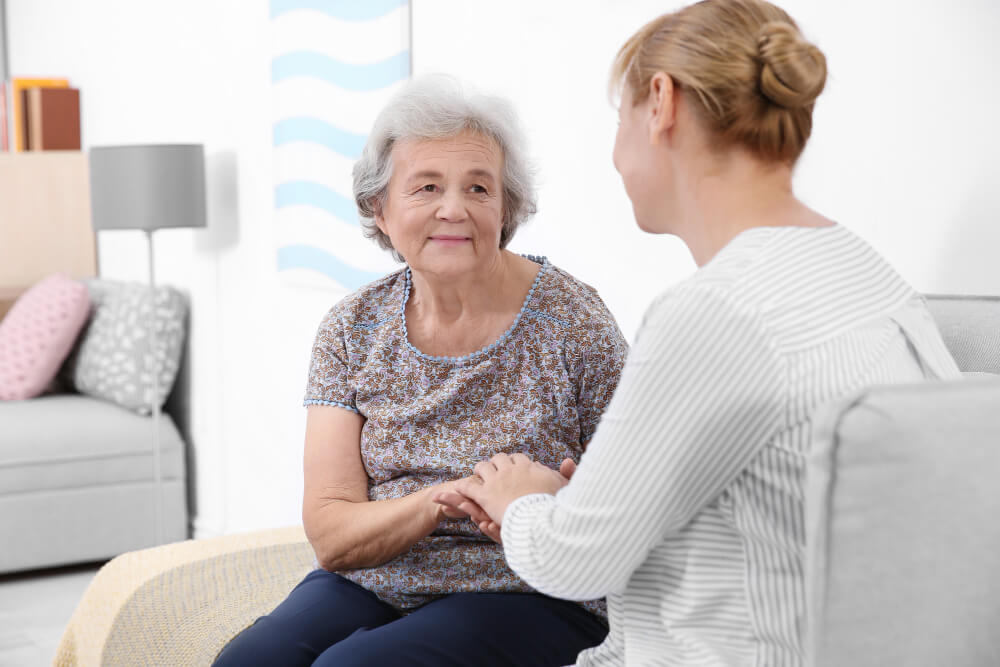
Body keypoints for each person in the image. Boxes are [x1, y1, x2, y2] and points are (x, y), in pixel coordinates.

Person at [434, 1, 962, 665]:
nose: (616, 156)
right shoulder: (862, 269)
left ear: (661, 103)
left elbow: (572, 562)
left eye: (618, 119)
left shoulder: (717, 312)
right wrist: (596, 503)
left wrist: (521, 504)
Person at [212, 75, 627, 667]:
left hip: (527, 590)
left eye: (478, 188)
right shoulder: (352, 328)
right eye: (426, 186)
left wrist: (554, 499)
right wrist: (444, 498)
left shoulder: (572, 319)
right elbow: (332, 534)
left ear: (505, 208)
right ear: (379, 210)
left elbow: (630, 497)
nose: (453, 208)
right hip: (377, 578)